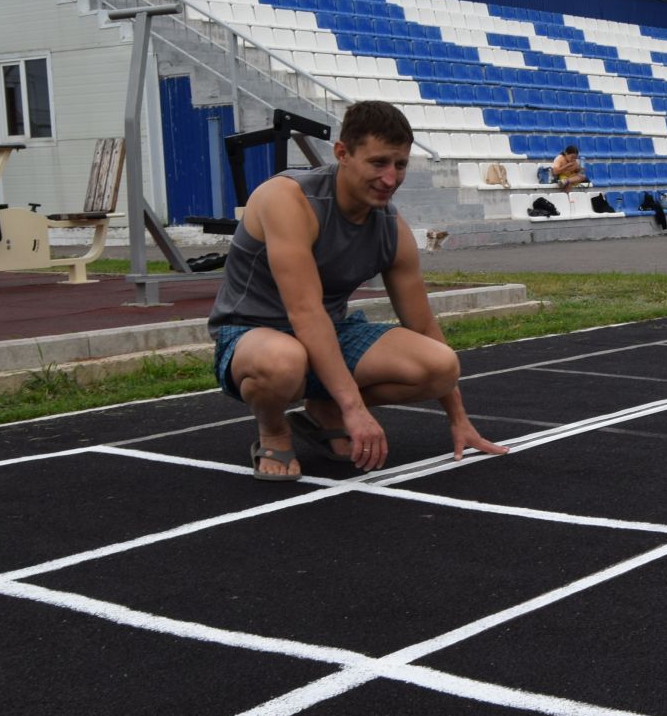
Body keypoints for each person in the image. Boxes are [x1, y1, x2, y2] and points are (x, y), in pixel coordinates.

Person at [209, 100, 506, 481]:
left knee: (440, 366)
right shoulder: (286, 199)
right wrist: (355, 408)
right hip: (252, 335)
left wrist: (459, 418)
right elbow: (305, 311)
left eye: (400, 165)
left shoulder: (390, 227)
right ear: (342, 154)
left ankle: (323, 406)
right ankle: (274, 430)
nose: (390, 179)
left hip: (328, 333)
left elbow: (423, 324)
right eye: (378, 162)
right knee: (284, 361)